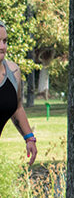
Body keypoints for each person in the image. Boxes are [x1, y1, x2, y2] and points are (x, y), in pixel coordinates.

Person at [0, 20, 38, 166]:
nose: (2, 47)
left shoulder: (13, 72)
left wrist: (29, 138)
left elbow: (16, 107)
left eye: (5, 41)